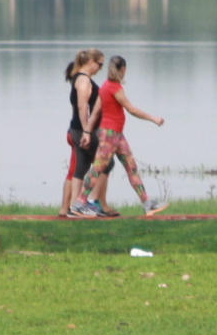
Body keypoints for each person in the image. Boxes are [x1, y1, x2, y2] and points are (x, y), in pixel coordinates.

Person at [70, 55, 169, 217]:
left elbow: (95, 112)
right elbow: (131, 109)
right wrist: (153, 118)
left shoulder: (105, 86)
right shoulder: (114, 88)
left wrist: (88, 132)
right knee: (97, 169)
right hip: (109, 135)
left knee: (131, 167)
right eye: (125, 70)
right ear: (122, 69)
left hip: (116, 135)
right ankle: (79, 204)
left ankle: (147, 203)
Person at [64, 50, 119, 218]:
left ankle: (74, 207)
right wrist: (87, 131)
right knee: (106, 163)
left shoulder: (78, 77)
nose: (101, 68)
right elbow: (82, 107)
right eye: (100, 64)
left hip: (77, 129)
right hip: (84, 130)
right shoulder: (84, 81)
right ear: (91, 63)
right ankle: (90, 203)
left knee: (81, 167)